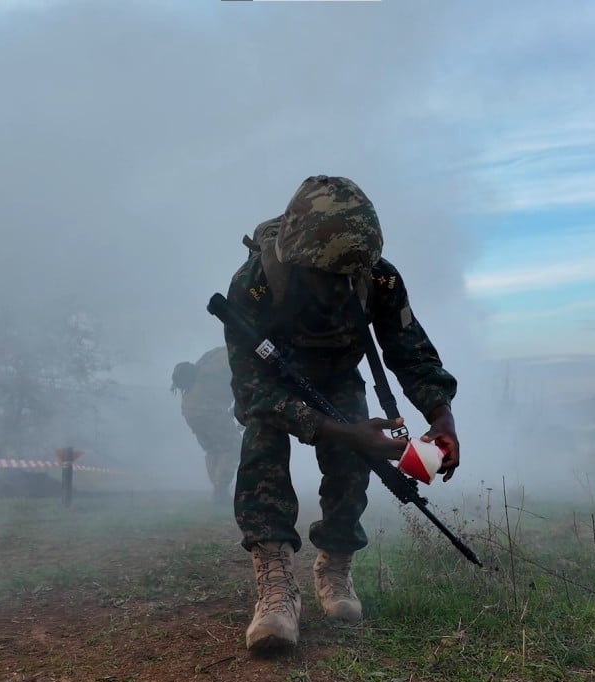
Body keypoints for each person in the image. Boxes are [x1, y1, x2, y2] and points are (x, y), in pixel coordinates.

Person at [222, 175, 460, 652]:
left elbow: (411, 353)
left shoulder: (378, 277)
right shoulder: (254, 286)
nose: (341, 287)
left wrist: (442, 417)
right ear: (298, 257)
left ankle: (334, 565)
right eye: (329, 276)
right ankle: (275, 588)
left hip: (338, 377)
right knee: (261, 446)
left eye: (351, 276)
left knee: (353, 466)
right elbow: (251, 393)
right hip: (275, 389)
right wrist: (340, 431)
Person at [171, 345, 240, 504]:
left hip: (190, 409)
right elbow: (241, 382)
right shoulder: (228, 356)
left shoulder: (214, 355)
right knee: (231, 447)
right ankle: (220, 492)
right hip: (208, 409)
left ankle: (217, 490)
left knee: (214, 449)